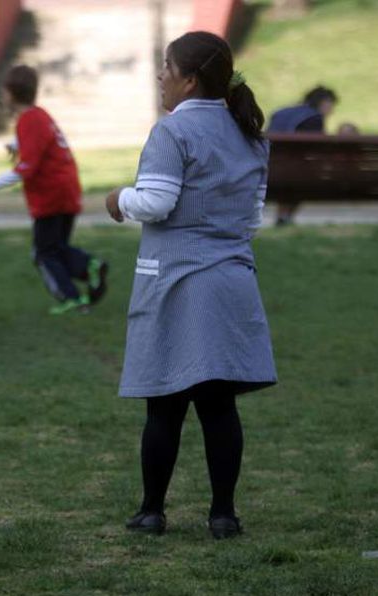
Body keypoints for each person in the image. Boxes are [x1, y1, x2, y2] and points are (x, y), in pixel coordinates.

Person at [104, 31, 277, 539]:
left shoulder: (171, 133)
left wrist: (119, 199)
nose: (160, 76)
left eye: (166, 67)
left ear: (189, 79)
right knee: (220, 406)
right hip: (231, 281)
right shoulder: (249, 133)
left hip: (177, 283)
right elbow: (253, 219)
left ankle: (152, 511)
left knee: (165, 403)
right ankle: (223, 514)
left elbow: (156, 203)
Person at [0, 65, 108, 315]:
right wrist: (15, 144)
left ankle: (73, 297)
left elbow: (26, 167)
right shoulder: (39, 115)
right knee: (55, 248)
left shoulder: (28, 120)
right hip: (66, 189)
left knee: (43, 253)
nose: (3, 96)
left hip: (51, 195)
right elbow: (38, 141)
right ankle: (90, 268)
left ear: (11, 94)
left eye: (4, 92)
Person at [268, 85, 338, 225]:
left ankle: (283, 217)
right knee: (305, 177)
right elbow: (317, 148)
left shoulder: (283, 112)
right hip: (294, 169)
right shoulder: (314, 118)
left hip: (270, 164)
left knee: (295, 177)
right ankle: (285, 217)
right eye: (331, 104)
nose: (332, 110)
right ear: (323, 102)